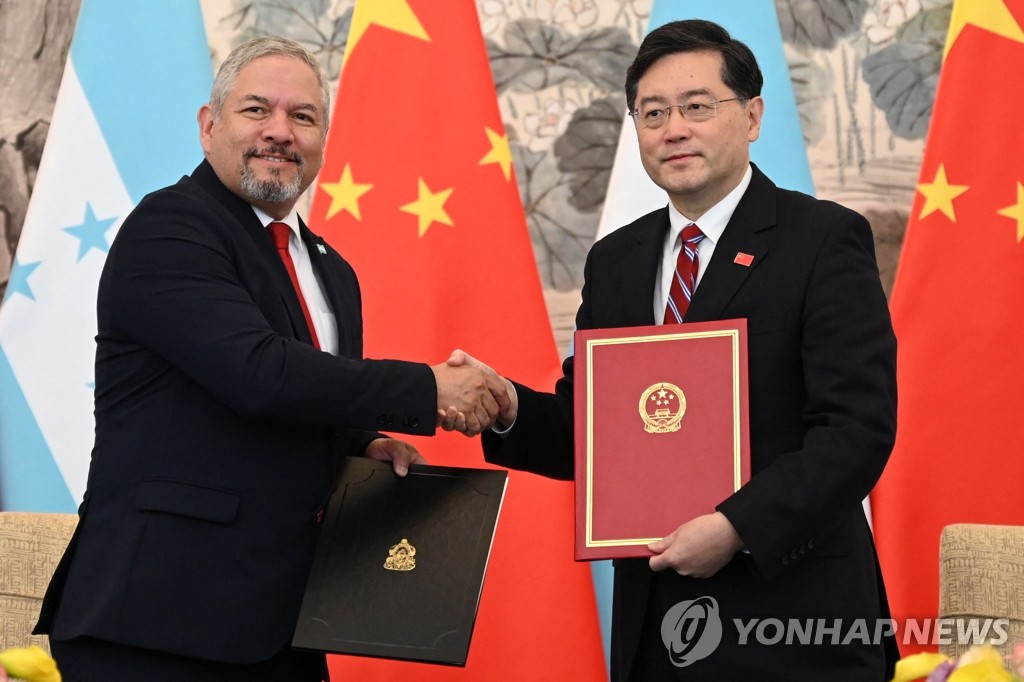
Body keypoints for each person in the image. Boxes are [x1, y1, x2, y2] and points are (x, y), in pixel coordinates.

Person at [34, 36, 505, 681]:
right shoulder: (169, 227)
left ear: (322, 138)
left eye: (302, 116)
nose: (279, 132)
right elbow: (258, 374)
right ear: (209, 125)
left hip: (283, 623)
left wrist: (362, 444)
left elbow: (311, 399)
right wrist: (430, 390)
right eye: (257, 110)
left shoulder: (332, 270)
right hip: (156, 624)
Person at [446, 19, 898, 681]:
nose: (673, 128)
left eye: (695, 106)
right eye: (653, 113)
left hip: (795, 619)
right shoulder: (617, 262)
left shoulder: (822, 240)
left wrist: (736, 526)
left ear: (751, 115)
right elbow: (595, 435)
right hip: (658, 627)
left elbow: (856, 430)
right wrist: (507, 406)